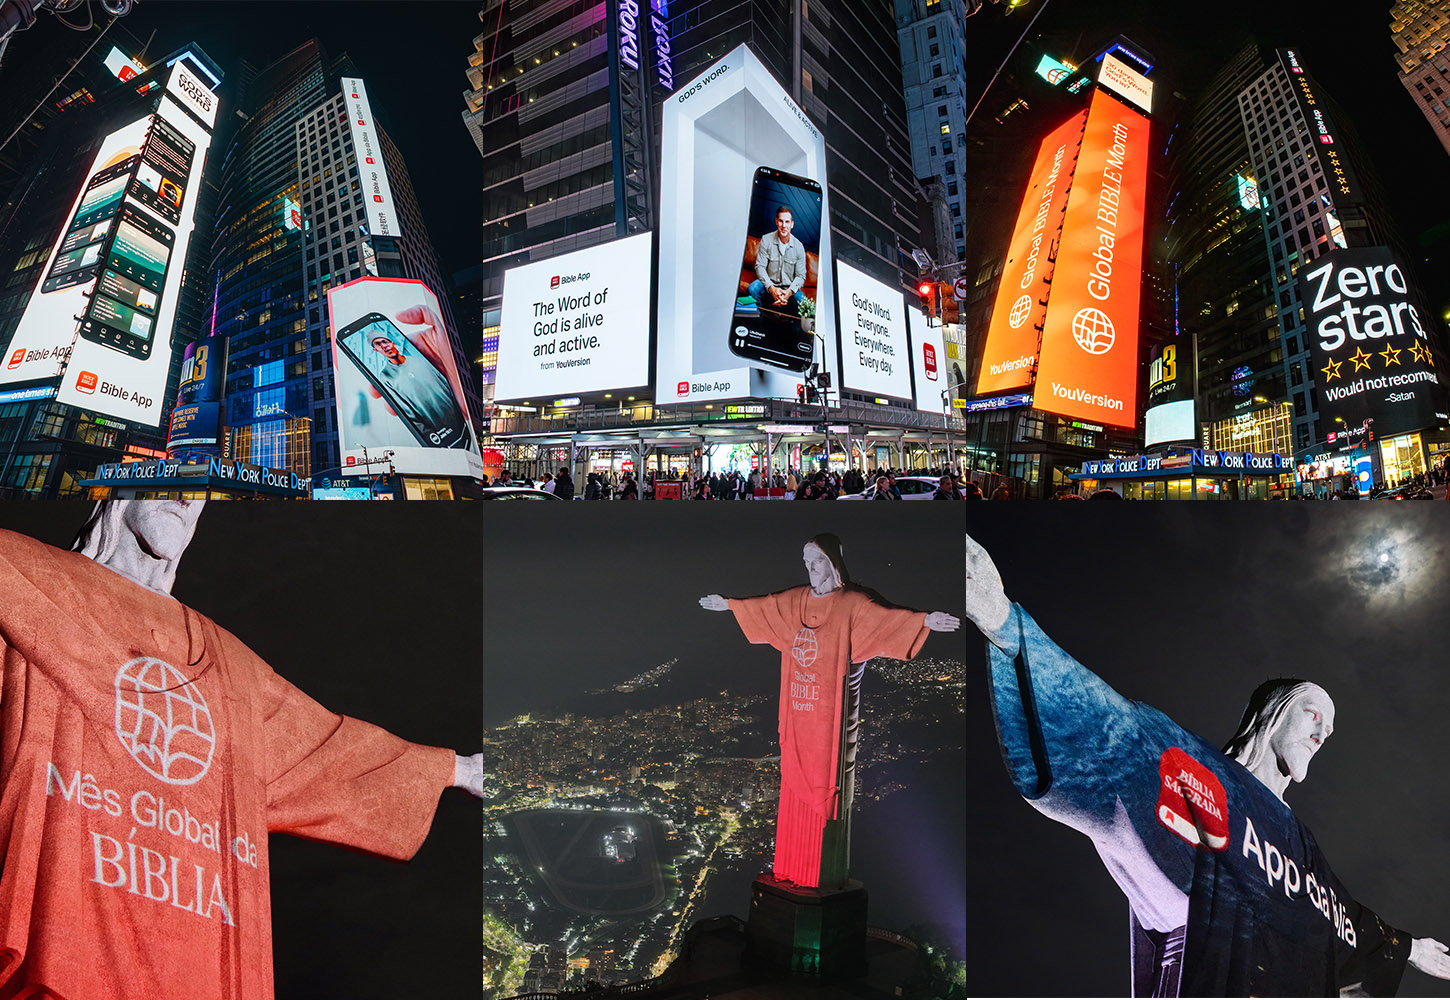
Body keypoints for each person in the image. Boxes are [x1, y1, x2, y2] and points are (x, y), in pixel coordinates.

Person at [0, 500, 482, 999]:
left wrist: (458, 769)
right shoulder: (21, 577)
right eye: (175, 478)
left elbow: (325, 748)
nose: (186, 501)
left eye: (200, 495)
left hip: (198, 949)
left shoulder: (231, 664)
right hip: (64, 929)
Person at [963, 533, 1450, 996]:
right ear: (1272, 716)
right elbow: (1118, 729)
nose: (1322, 732)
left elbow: (1342, 917)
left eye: (1330, 729)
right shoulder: (1199, 774)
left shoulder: (1304, 848)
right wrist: (1005, 622)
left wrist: (1407, 947)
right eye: (1313, 713)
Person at [698, 535, 959, 888]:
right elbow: (765, 606)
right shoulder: (796, 601)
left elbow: (887, 620)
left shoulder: (853, 602)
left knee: (830, 784)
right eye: (806, 562)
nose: (810, 569)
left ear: (833, 562)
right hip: (797, 713)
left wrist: (926, 621)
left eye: (816, 561)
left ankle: (821, 876)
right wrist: (729, 605)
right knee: (792, 781)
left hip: (829, 720)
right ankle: (790, 871)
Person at [747, 206, 808, 317]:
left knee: (806, 305)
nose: (784, 225)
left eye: (787, 222)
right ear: (776, 221)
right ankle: (761, 318)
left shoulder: (799, 247)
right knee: (752, 289)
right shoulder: (766, 240)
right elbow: (759, 267)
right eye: (781, 221)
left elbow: (801, 276)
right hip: (769, 283)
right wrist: (772, 288)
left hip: (789, 287)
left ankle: (793, 327)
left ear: (792, 224)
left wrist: (788, 293)